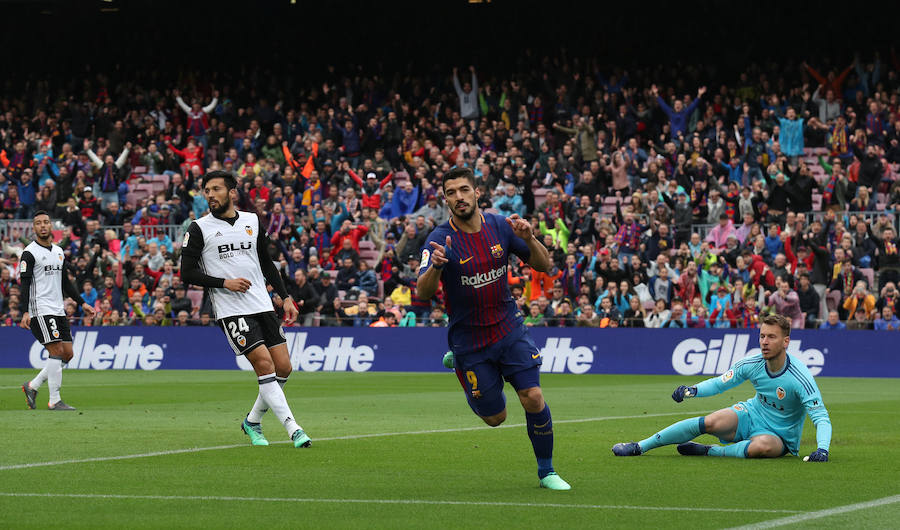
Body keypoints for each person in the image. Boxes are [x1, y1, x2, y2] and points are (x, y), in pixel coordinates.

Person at [416, 166, 570, 490]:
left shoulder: (500, 226)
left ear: (477, 192)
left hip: (509, 329)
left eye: (463, 190)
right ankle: (458, 363)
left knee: (533, 396)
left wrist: (530, 239)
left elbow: (545, 265)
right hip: (470, 342)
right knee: (495, 418)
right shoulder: (438, 240)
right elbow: (423, 292)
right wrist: (435, 268)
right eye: (451, 193)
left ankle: (547, 472)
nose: (459, 197)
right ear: (445, 200)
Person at [179, 170, 311, 448]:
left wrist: (285, 296)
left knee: (284, 368)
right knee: (264, 364)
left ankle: (251, 421)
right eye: (207, 190)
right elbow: (187, 273)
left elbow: (265, 262)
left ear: (232, 192)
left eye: (216, 189)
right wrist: (224, 282)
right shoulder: (199, 228)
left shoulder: (251, 221)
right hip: (231, 310)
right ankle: (293, 428)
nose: (210, 195)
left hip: (262, 304)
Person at [613, 313, 832, 462]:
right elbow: (720, 383)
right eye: (762, 336)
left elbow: (820, 417)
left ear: (786, 342)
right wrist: (692, 390)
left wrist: (822, 449)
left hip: (781, 437)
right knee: (710, 422)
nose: (764, 341)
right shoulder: (752, 364)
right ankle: (640, 446)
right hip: (751, 414)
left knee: (762, 446)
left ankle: (711, 451)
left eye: (771, 337)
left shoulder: (799, 377)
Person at [20, 211, 96, 410]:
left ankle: (33, 386)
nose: (43, 226)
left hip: (58, 308)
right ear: (34, 228)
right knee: (56, 351)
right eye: (38, 223)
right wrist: (25, 311)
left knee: (67, 354)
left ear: (51, 226)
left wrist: (82, 303)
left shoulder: (58, 252)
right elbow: (24, 285)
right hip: (40, 309)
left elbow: (66, 283)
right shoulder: (29, 253)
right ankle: (54, 400)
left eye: (46, 222)